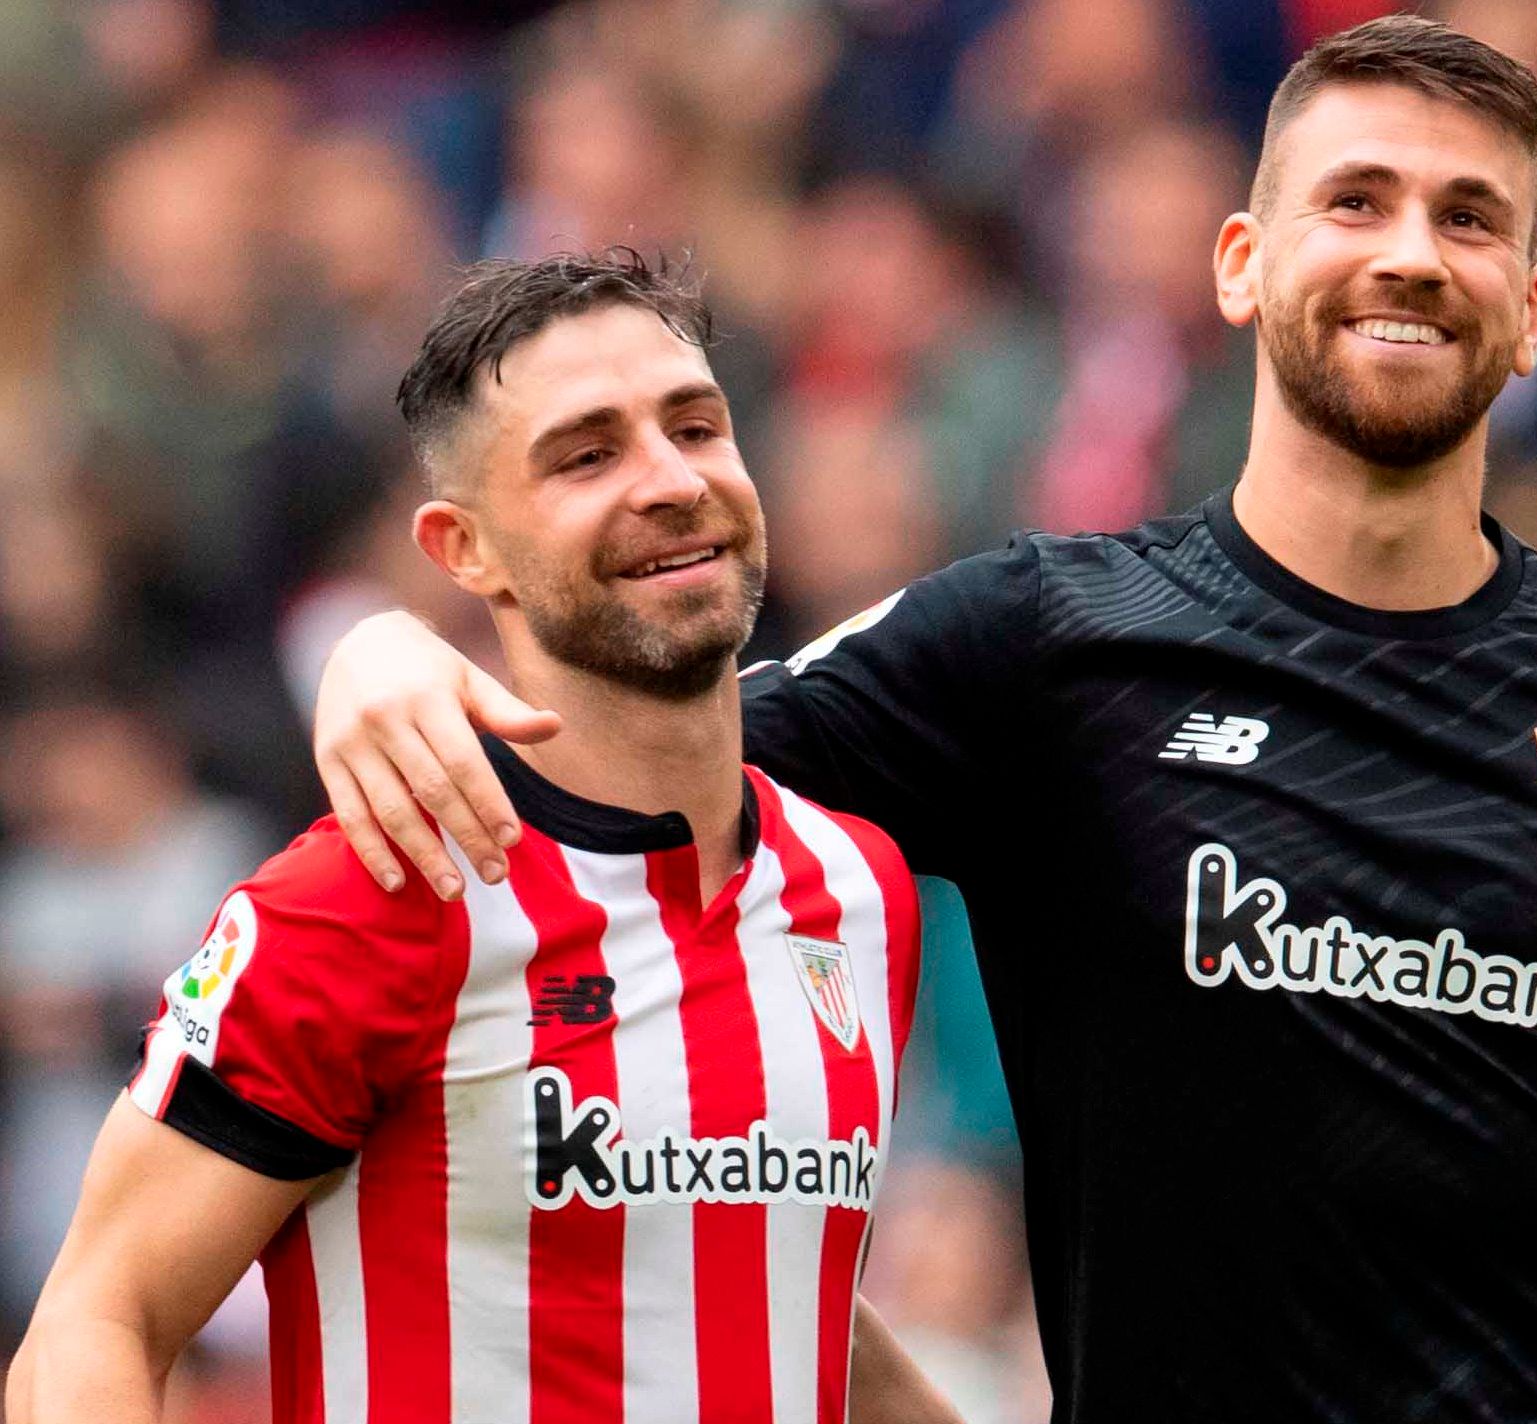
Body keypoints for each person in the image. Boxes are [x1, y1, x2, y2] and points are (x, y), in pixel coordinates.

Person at [310, 19, 1537, 1424]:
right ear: (1242, 262)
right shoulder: (1041, 637)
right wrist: (393, 654)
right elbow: (630, 774)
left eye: (1467, 218)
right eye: (1354, 199)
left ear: (1527, 307)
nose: (1406, 252)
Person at [6, 254, 960, 1424]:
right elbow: (96, 1318)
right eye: (587, 453)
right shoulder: (376, 888)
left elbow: (773, 1302)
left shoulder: (858, 885)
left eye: (696, 426)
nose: (668, 480)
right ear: (465, 548)